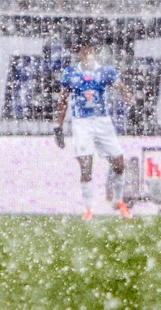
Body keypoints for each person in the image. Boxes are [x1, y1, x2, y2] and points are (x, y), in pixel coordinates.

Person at [55, 42, 135, 221]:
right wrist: (59, 127)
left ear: (95, 53)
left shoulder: (106, 71)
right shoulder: (70, 73)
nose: (87, 54)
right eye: (84, 51)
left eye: (90, 51)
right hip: (81, 123)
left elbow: (121, 88)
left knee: (119, 164)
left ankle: (119, 200)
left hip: (102, 122)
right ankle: (89, 209)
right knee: (85, 165)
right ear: (79, 54)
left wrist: (131, 100)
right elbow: (62, 100)